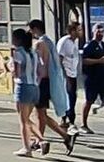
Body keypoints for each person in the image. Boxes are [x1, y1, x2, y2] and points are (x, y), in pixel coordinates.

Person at [30, 19, 73, 154]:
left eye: (31, 30)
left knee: (38, 114)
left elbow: (41, 66)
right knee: (40, 113)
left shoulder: (40, 44)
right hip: (48, 81)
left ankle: (40, 141)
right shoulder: (49, 41)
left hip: (42, 82)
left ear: (35, 29)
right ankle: (62, 137)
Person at [79, 24, 104, 133]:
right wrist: (98, 61)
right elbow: (84, 60)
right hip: (92, 78)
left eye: (102, 32)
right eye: (98, 32)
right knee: (89, 100)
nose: (100, 34)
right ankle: (83, 124)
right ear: (93, 32)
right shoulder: (89, 45)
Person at [10, 26, 42, 156]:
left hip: (23, 86)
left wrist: (9, 69)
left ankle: (27, 147)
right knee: (28, 118)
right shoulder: (33, 53)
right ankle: (40, 139)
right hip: (35, 87)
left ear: (17, 40)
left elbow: (16, 73)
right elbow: (40, 71)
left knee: (23, 120)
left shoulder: (18, 53)